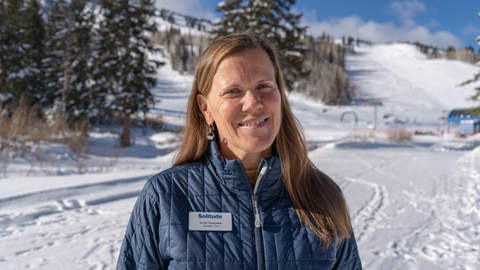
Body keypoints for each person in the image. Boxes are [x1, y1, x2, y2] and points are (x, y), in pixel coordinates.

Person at [116, 33, 362, 270]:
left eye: (264, 85)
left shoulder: (324, 195)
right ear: (205, 108)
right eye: (233, 91)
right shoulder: (166, 196)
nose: (254, 103)